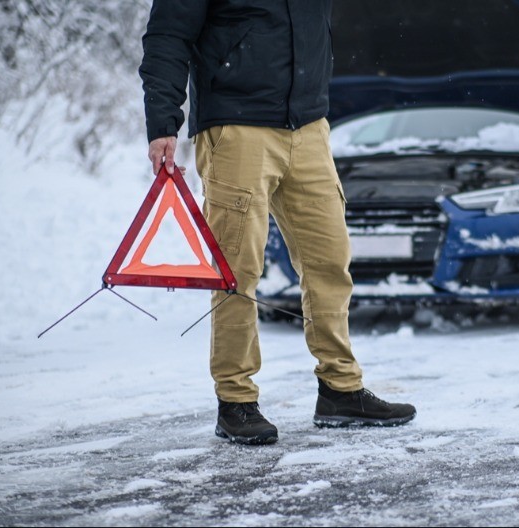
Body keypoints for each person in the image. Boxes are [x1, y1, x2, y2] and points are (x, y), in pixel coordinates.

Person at [139, 0, 416, 445]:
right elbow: (168, 36)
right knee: (237, 270)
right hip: (236, 127)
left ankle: (340, 389)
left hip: (309, 126)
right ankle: (235, 400)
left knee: (329, 260)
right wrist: (163, 122)